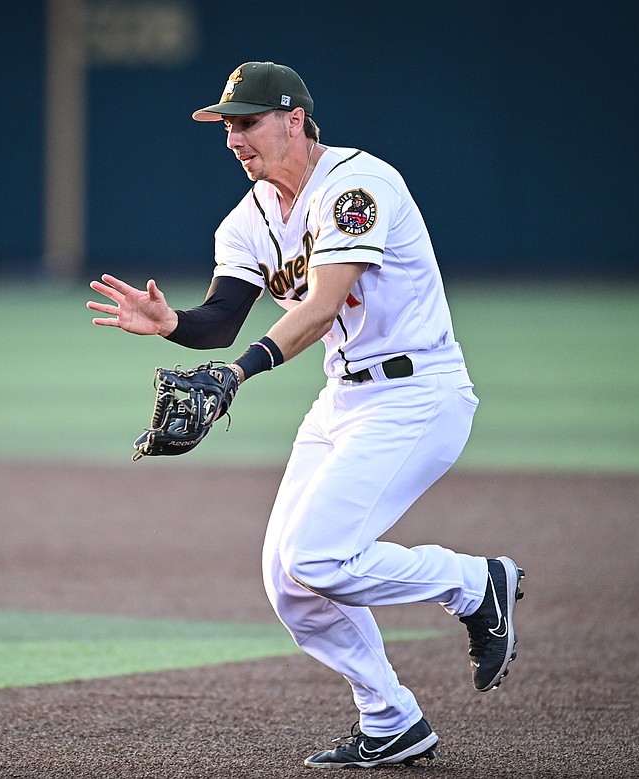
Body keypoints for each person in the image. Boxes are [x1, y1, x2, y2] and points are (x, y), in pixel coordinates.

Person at [86, 61, 523, 769]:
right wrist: (171, 323)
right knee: (290, 583)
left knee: (319, 555)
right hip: (344, 398)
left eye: (247, 122)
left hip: (418, 394)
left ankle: (475, 584)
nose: (234, 139)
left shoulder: (357, 186)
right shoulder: (249, 216)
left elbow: (319, 309)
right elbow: (223, 317)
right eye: (227, 125)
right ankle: (391, 719)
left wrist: (235, 375)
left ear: (296, 121)